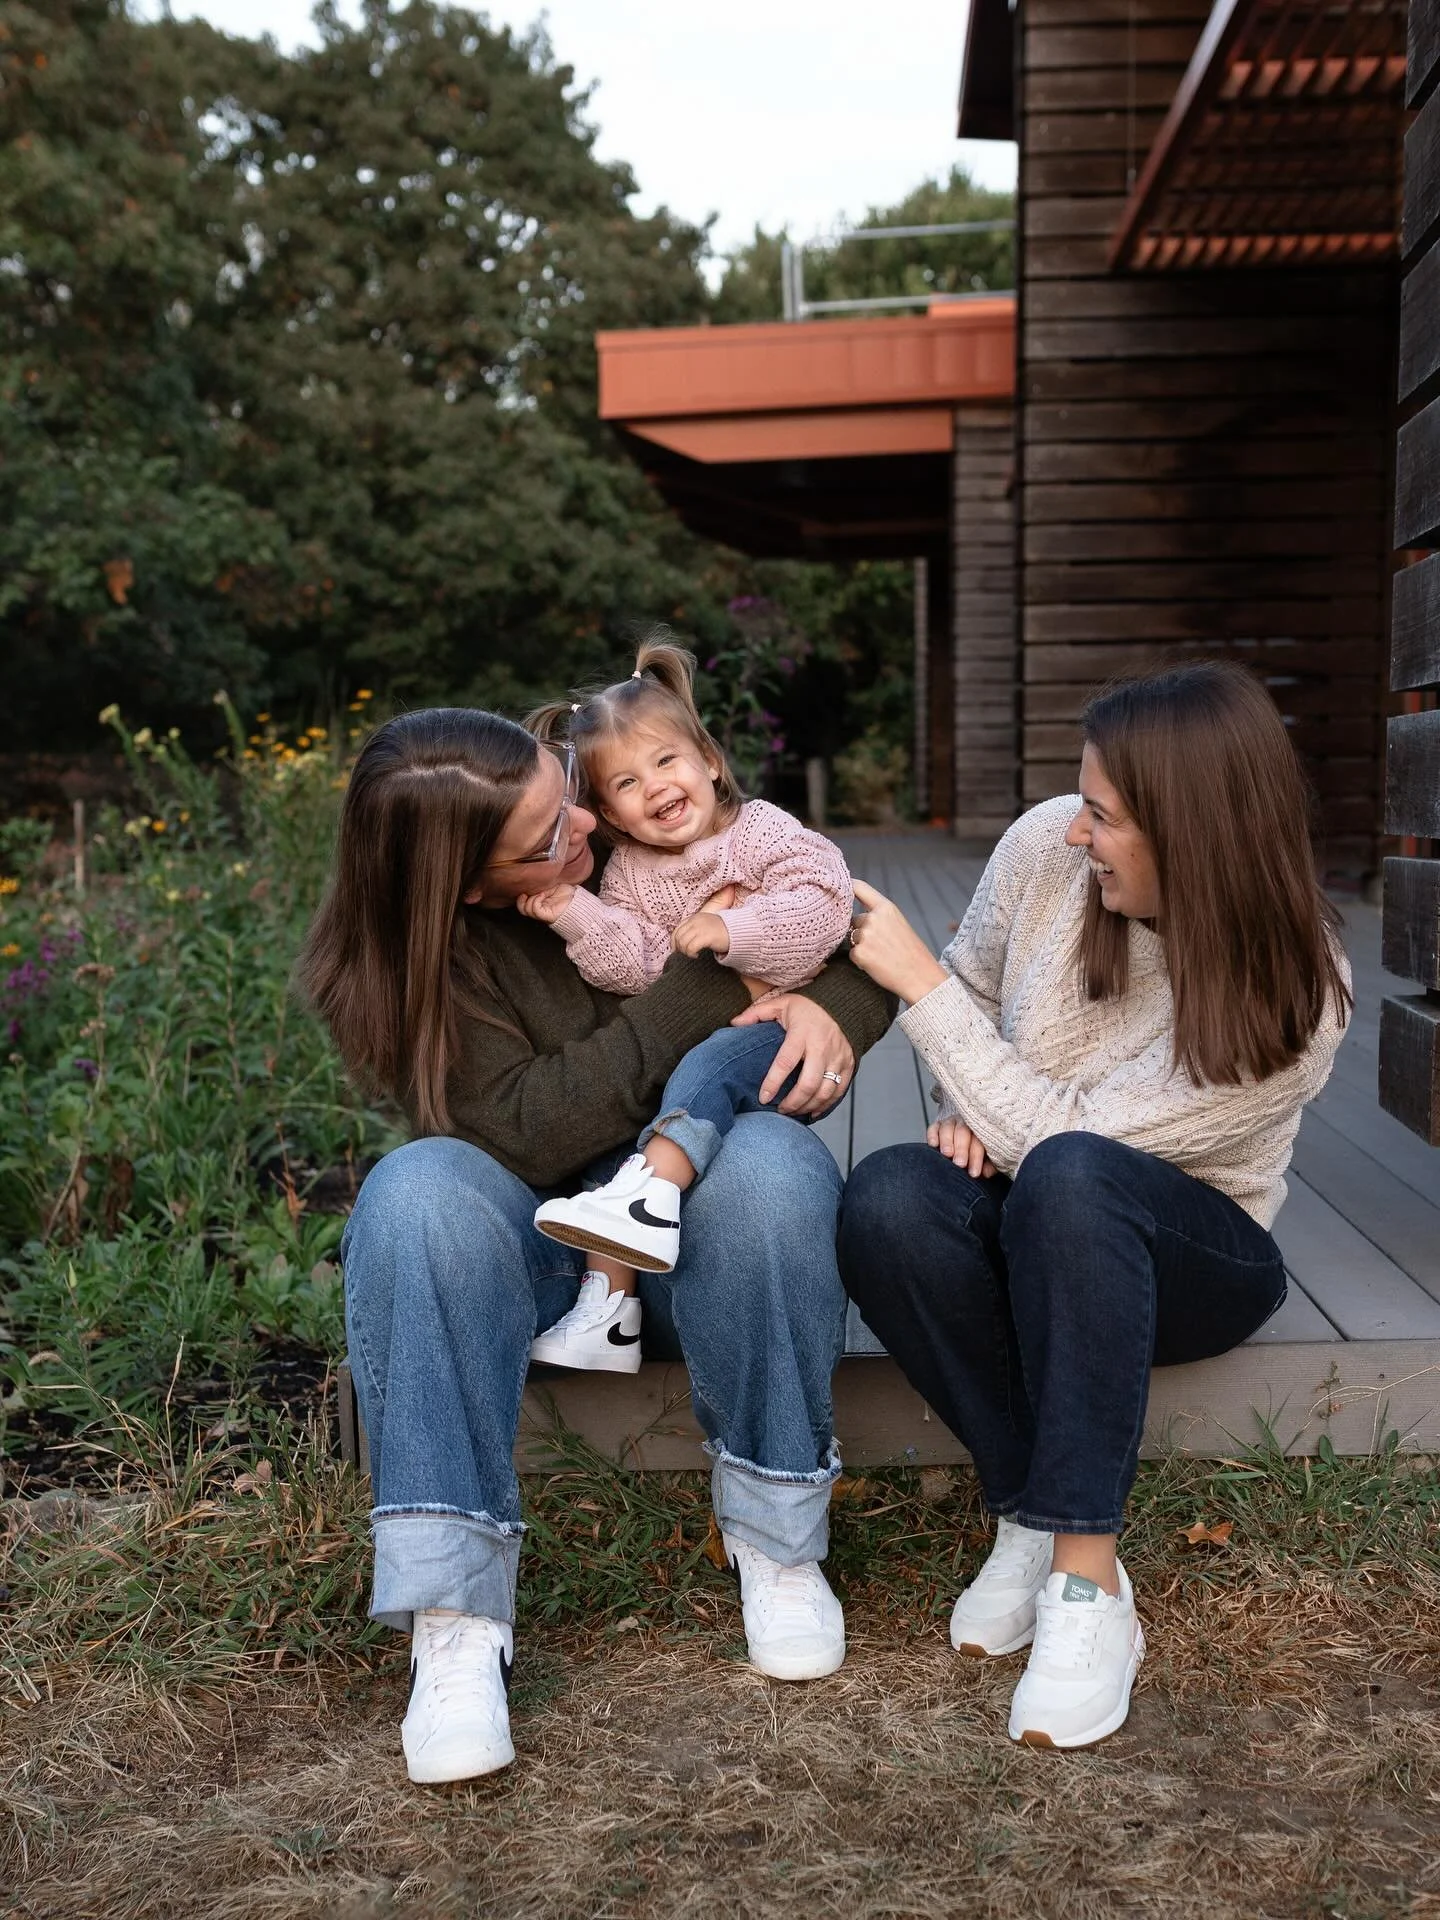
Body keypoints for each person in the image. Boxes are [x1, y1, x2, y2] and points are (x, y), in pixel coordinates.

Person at [296, 704, 892, 1786]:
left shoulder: (626, 811)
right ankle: (456, 1619)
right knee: (416, 1188)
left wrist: (830, 1009)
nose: (583, 821)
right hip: (547, 1255)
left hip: (703, 1240)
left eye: (563, 784)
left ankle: (777, 1538)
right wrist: (713, 988)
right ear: (473, 887)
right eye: (544, 838)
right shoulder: (426, 960)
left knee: (767, 1165)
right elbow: (531, 1127)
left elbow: (839, 913)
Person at [838, 662, 1351, 1752]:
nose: (1078, 833)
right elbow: (975, 987)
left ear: (1195, 832)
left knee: (1071, 1175)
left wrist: (926, 1003)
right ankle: (1025, 1507)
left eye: (1106, 816)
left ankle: (1086, 1583)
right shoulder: (1041, 847)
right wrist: (963, 1097)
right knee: (887, 1198)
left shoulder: (1301, 992)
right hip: (1040, 1183)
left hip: (1192, 1256)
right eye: (1083, 803)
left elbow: (1068, 1134)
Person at [517, 637, 853, 1371]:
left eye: (667, 761)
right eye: (628, 784)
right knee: (619, 1133)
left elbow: (825, 906)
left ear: (709, 759)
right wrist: (575, 913)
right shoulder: (630, 876)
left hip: (774, 1031)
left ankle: (650, 1193)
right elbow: (635, 968)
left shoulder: (759, 830)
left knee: (705, 1061)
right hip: (697, 1055)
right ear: (609, 816)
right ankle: (607, 1312)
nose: (657, 787)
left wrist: (732, 929)